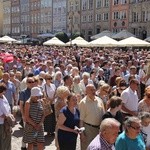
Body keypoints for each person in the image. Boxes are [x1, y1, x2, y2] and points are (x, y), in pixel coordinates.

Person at [79, 84, 105, 150]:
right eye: (91, 90)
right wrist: (82, 134)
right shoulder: (83, 102)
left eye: (94, 89)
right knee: (87, 147)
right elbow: (81, 119)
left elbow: (103, 114)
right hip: (88, 129)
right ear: (86, 92)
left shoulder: (99, 100)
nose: (93, 91)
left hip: (99, 129)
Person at [0, 83, 12, 150]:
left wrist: (10, 115)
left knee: (7, 139)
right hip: (1, 123)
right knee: (2, 140)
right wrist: (7, 117)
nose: (3, 93)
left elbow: (8, 107)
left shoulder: (3, 97)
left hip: (6, 122)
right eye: (2, 92)